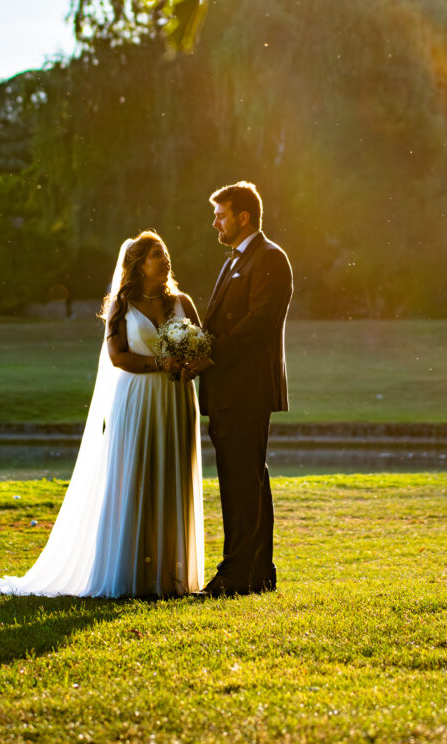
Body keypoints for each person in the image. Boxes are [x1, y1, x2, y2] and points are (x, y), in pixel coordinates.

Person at [0, 231, 204, 598]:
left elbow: (202, 342)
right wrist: (160, 363)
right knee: (135, 478)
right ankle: (130, 572)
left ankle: (171, 576)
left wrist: (193, 363)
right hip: (138, 398)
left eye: (165, 254)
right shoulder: (121, 305)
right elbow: (118, 357)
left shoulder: (182, 302)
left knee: (172, 474)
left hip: (178, 399)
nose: (164, 261)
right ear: (138, 264)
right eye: (155, 256)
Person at [186, 181, 292, 597]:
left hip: (246, 388)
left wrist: (210, 356)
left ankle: (235, 576)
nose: (215, 222)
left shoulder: (269, 258)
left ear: (243, 217)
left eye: (221, 214)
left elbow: (260, 322)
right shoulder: (235, 261)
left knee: (242, 482)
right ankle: (258, 572)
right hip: (229, 388)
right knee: (244, 479)